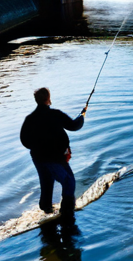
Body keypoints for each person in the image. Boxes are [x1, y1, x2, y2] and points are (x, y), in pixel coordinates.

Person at [20, 87, 87, 215]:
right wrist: (82, 116)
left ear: (37, 100)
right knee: (69, 181)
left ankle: (46, 209)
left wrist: (38, 147)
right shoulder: (55, 114)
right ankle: (66, 212)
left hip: (38, 158)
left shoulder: (29, 119)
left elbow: (24, 141)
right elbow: (74, 126)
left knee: (46, 182)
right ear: (48, 99)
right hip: (55, 158)